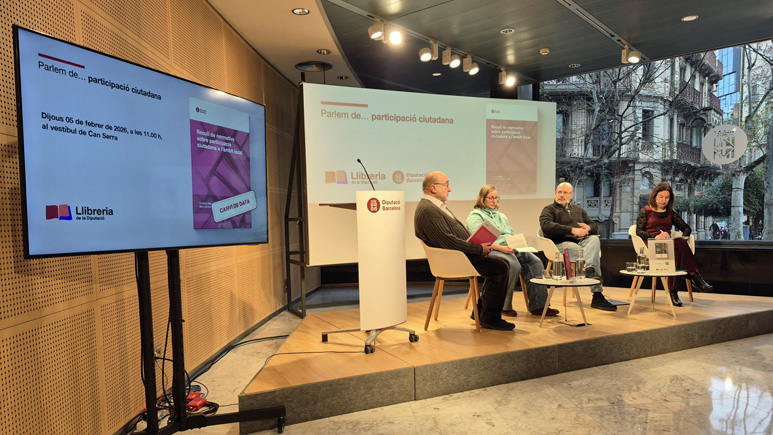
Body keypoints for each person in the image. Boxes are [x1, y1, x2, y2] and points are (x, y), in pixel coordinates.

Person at [414, 172, 514, 331]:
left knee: (501, 263)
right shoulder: (428, 210)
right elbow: (448, 241)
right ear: (433, 188)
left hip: (461, 255)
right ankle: (489, 318)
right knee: (500, 267)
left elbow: (452, 237)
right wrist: (479, 248)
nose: (450, 189)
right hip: (454, 259)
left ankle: (481, 312)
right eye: (446, 185)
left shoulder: (434, 207)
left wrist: (479, 246)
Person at [465, 185, 558, 317]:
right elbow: (481, 240)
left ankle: (539, 305)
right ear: (482, 199)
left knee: (535, 262)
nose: (494, 201)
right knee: (512, 265)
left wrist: (521, 243)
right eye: (490, 198)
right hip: (492, 249)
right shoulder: (475, 216)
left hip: (510, 248)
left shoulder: (501, 216)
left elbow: (511, 234)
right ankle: (504, 306)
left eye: (496, 198)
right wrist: (502, 248)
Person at [539, 182, 616, 311]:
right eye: (559, 192)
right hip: (559, 245)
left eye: (565, 193)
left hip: (580, 242)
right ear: (555, 194)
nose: (562, 195)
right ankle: (597, 294)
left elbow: (594, 226)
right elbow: (546, 226)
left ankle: (589, 270)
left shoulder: (578, 210)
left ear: (571, 195)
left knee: (594, 240)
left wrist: (589, 228)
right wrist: (572, 230)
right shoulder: (549, 209)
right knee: (587, 253)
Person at [636, 182, 714, 306]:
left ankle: (674, 292)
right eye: (661, 197)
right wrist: (656, 237)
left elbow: (686, 228)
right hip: (651, 244)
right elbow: (639, 231)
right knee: (679, 247)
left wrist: (684, 238)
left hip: (668, 244)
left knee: (677, 252)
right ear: (655, 197)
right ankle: (693, 276)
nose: (664, 200)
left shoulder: (670, 213)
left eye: (667, 197)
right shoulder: (646, 210)